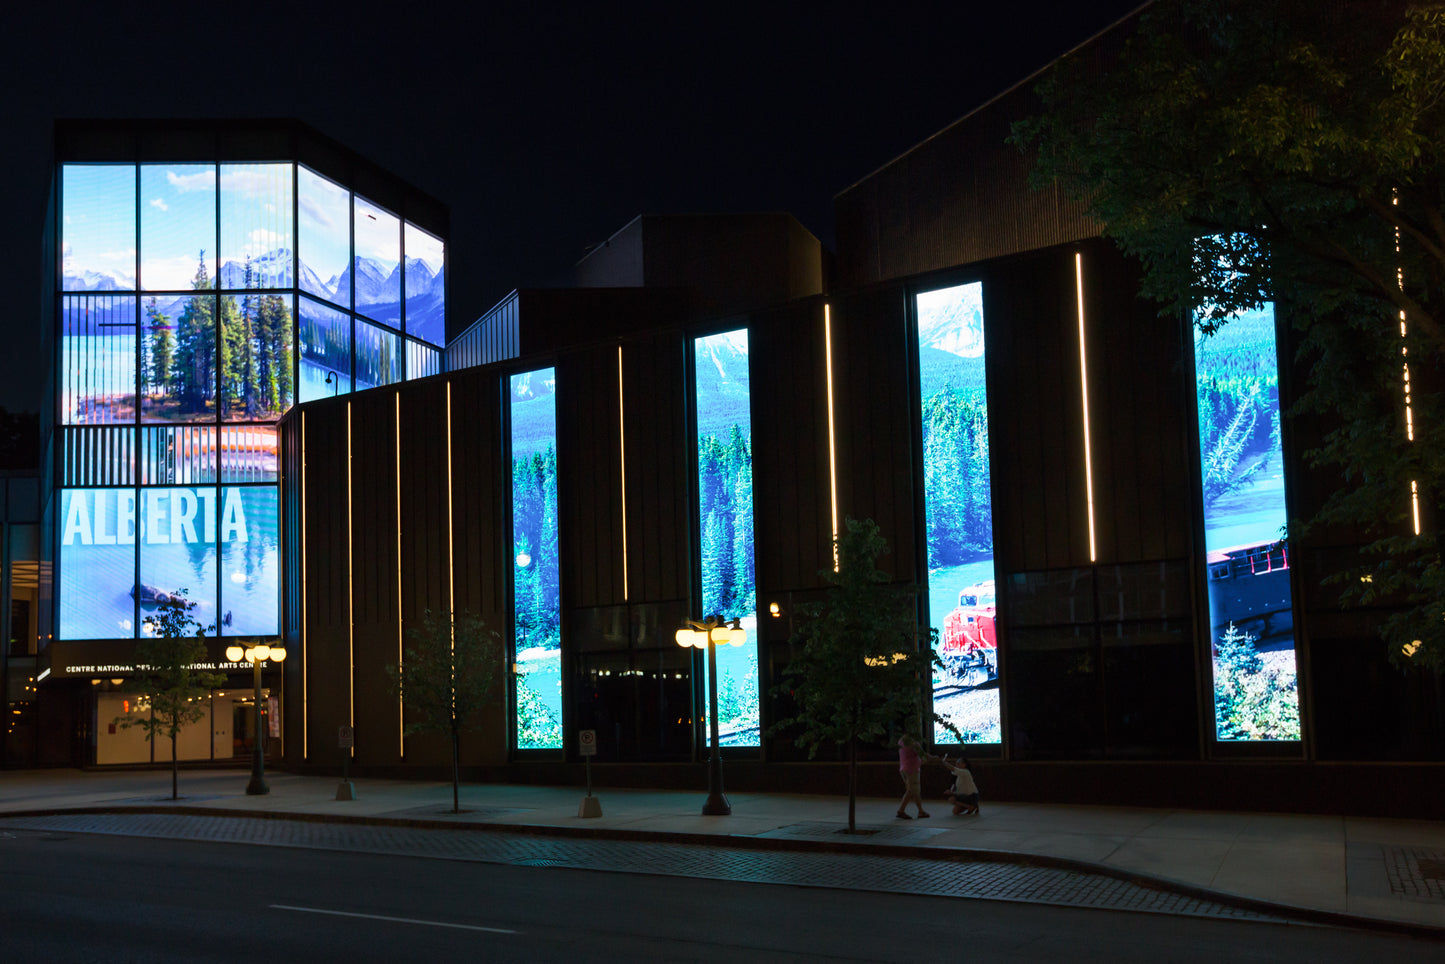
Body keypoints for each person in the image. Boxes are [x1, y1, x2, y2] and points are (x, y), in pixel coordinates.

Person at [896, 734, 932, 818]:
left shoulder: (901, 741)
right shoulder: (913, 743)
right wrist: (931, 758)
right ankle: (901, 810)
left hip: (903, 768)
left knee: (915, 791)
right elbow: (923, 756)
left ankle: (921, 811)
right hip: (912, 770)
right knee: (911, 790)